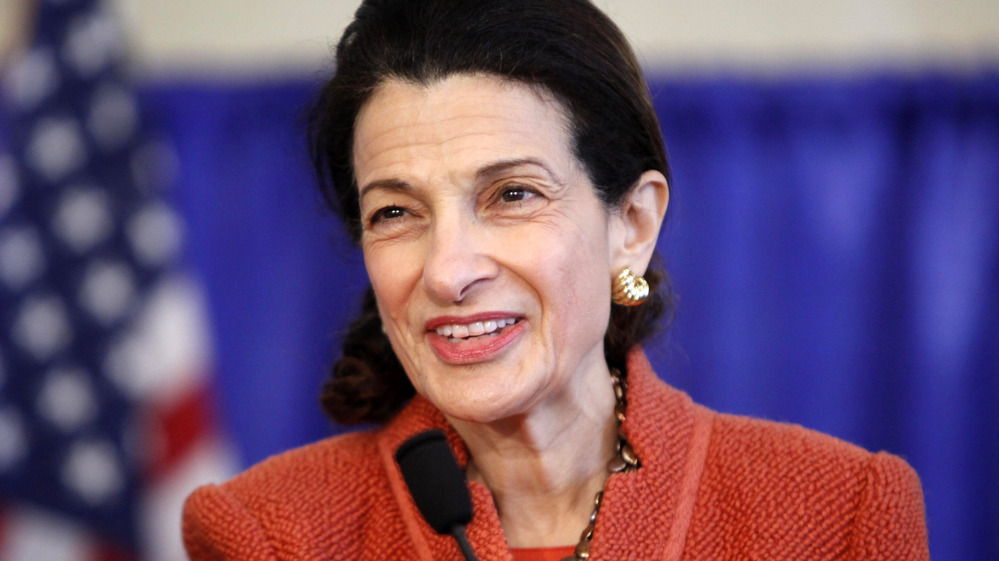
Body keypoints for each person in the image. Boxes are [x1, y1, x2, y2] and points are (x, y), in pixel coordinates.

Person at [181, 1, 930, 559]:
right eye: (396, 212)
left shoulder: (839, 515)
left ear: (631, 224)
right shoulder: (269, 533)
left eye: (511, 195)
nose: (447, 270)